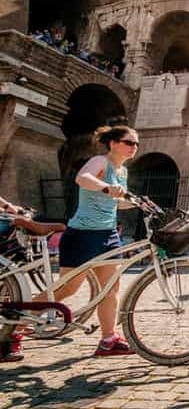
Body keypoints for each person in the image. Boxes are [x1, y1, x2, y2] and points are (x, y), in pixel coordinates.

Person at [5, 126, 142, 362]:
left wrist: (137, 202)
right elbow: (82, 178)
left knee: (111, 288)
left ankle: (108, 340)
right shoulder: (100, 161)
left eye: (136, 144)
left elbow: (114, 203)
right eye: (129, 142)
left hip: (108, 235)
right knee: (67, 289)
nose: (134, 147)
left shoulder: (122, 172)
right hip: (82, 234)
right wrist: (105, 187)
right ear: (113, 143)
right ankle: (14, 329)